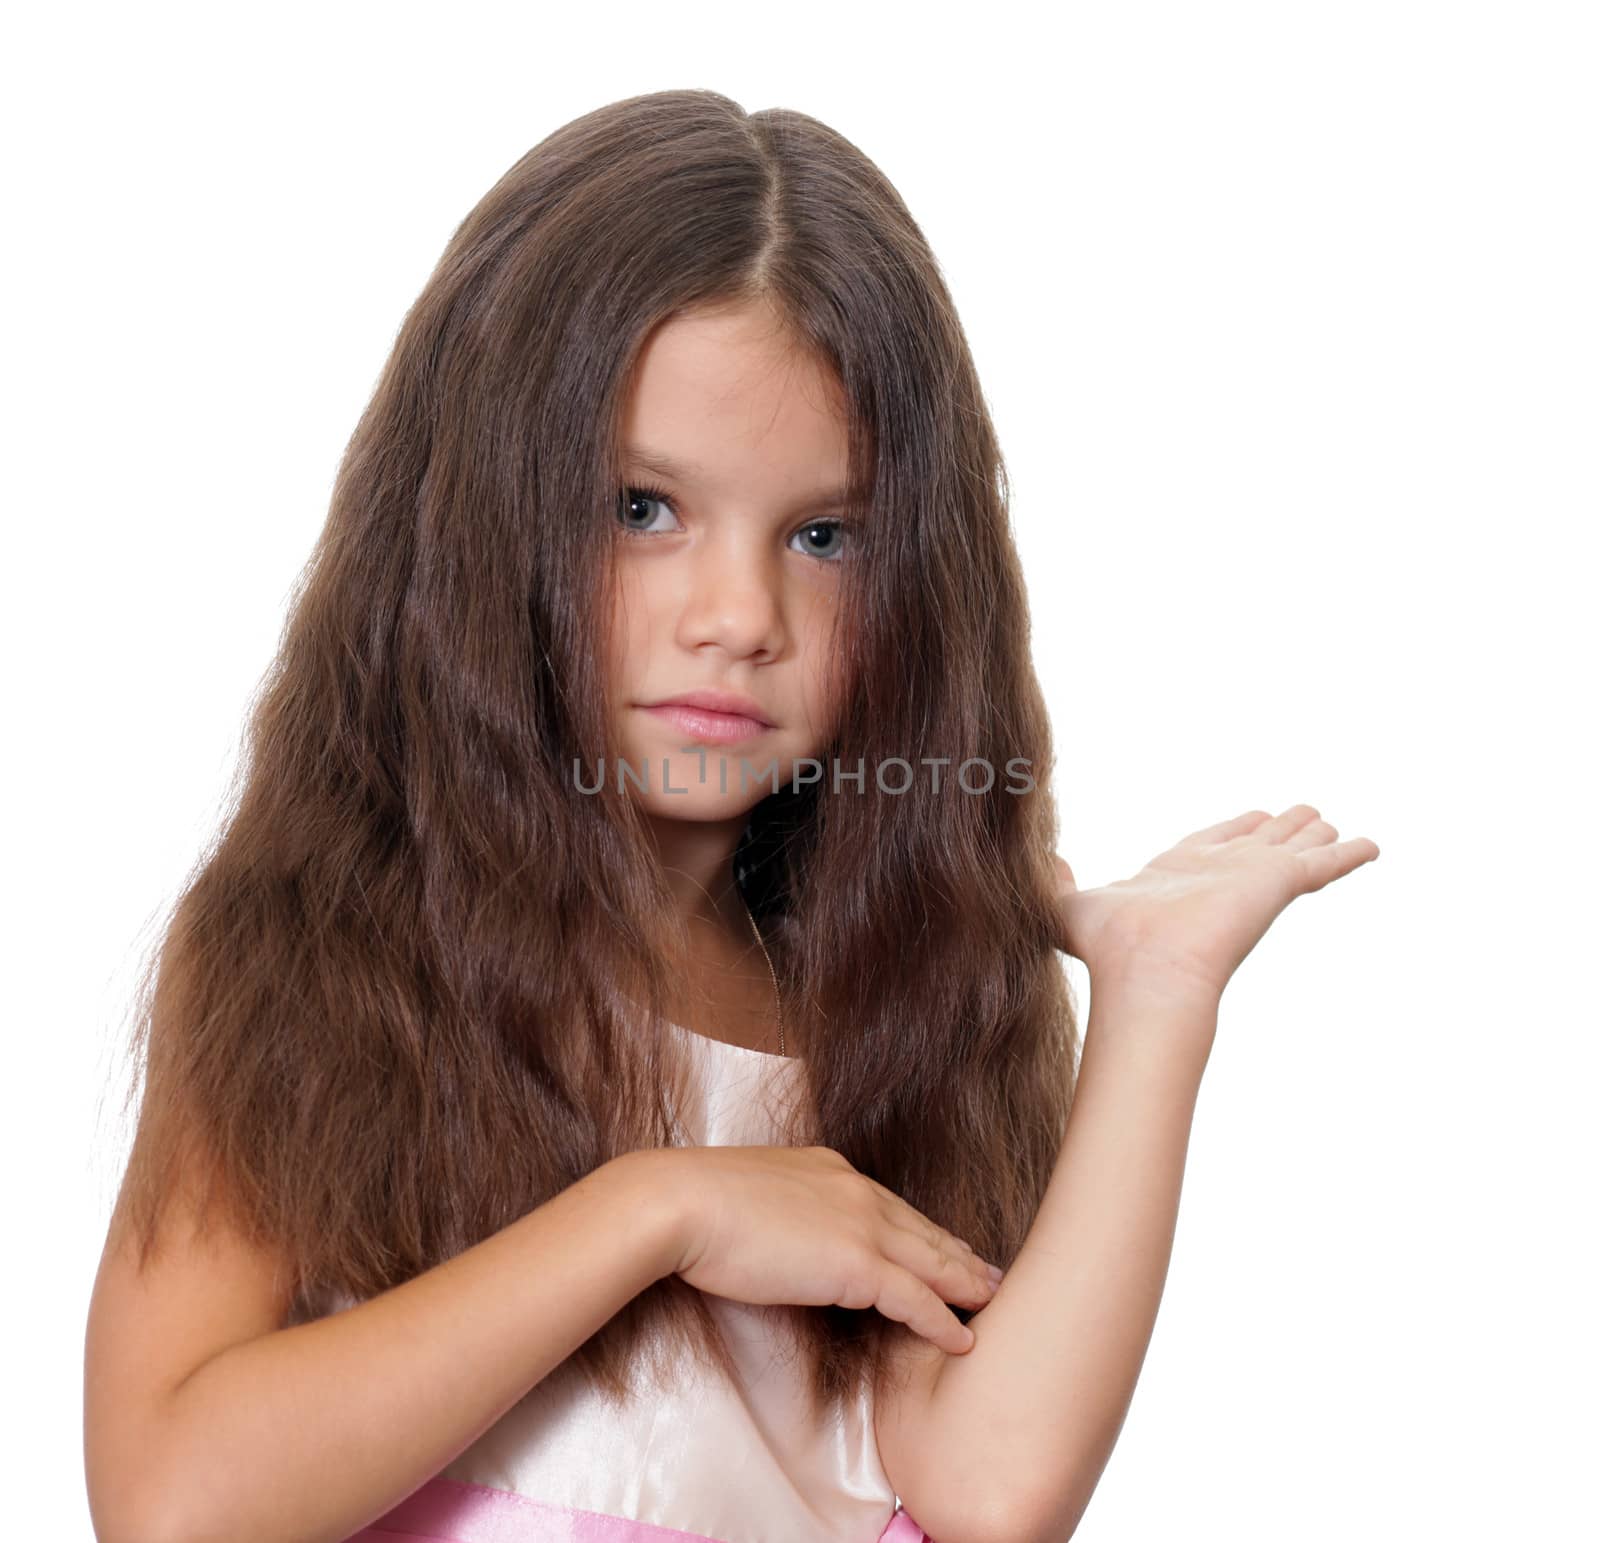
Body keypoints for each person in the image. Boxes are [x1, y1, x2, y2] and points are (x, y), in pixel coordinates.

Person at [83, 89, 1379, 1543]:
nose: (738, 618)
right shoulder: (325, 950)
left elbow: (992, 1488)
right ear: (479, 513)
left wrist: (1159, 999)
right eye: (645, 509)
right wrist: (662, 1212)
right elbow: (174, 1506)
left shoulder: (872, 997)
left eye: (823, 537)